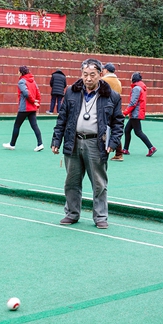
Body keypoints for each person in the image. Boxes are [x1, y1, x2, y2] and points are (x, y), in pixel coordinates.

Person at [51, 58, 124, 229]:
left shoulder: (112, 96)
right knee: (71, 182)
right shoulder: (71, 92)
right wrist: (56, 139)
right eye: (85, 74)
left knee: (99, 183)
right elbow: (62, 117)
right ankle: (72, 213)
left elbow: (118, 122)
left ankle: (100, 217)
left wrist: (113, 142)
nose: (88, 78)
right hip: (73, 141)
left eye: (92, 74)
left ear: (100, 74)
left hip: (96, 143)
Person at [3, 66, 44, 151]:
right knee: (34, 126)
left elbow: (26, 93)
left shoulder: (21, 81)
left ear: (21, 72)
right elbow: (38, 93)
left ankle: (12, 144)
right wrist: (37, 104)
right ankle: (40, 144)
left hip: (24, 108)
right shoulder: (33, 81)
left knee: (17, 125)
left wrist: (33, 101)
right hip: (32, 108)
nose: (17, 73)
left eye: (18, 71)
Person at [122, 72, 157, 157]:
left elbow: (133, 103)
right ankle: (125, 149)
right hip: (137, 112)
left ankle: (151, 147)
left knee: (138, 132)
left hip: (135, 113)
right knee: (127, 130)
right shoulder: (141, 87)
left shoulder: (136, 88)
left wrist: (125, 112)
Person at [101, 62, 124, 161]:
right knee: (115, 130)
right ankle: (119, 153)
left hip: (105, 108)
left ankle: (115, 152)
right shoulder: (118, 82)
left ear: (106, 70)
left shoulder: (103, 80)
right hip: (116, 107)